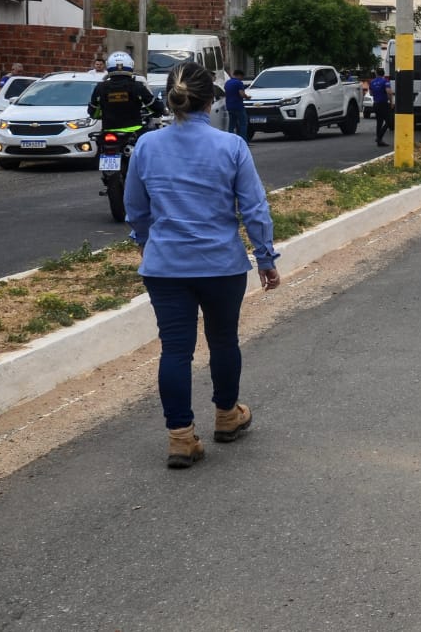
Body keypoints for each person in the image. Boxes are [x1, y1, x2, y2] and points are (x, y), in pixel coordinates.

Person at [123, 61, 279, 469]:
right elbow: (254, 209)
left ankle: (180, 438)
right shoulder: (231, 146)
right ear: (212, 101)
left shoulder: (146, 146)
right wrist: (265, 257)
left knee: (175, 349)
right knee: (223, 339)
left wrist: (145, 244)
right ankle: (227, 416)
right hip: (221, 266)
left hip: (165, 266)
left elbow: (136, 209)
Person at [88, 51, 164, 135]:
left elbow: (93, 113)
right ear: (130, 65)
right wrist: (160, 108)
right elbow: (154, 106)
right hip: (134, 131)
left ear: (108, 65)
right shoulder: (137, 86)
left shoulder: (100, 87)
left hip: (109, 131)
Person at [223, 69, 250, 142]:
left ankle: (230, 141)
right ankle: (243, 141)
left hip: (229, 106)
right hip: (238, 106)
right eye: (242, 77)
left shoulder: (227, 83)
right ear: (239, 75)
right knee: (243, 124)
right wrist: (247, 97)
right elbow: (241, 94)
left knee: (231, 125)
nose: (242, 79)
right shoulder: (239, 83)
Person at [368, 67, 393, 147]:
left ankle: (379, 141)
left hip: (376, 104)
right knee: (389, 121)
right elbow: (389, 92)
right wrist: (391, 102)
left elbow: (371, 93)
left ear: (376, 73)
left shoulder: (372, 82)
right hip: (383, 104)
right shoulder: (385, 81)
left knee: (379, 122)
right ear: (383, 73)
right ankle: (379, 137)